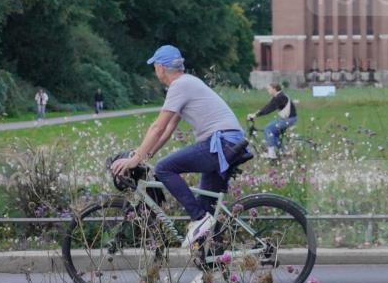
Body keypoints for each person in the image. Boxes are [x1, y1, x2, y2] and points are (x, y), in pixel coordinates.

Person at [110, 45, 246, 249]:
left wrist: (135, 159)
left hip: (222, 143)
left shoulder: (180, 85)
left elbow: (157, 127)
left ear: (160, 67)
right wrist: (145, 155)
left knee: (164, 168)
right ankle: (212, 257)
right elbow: (168, 128)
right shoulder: (187, 83)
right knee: (206, 208)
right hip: (227, 143)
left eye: (155, 67)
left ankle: (199, 218)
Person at [248, 82, 297, 159]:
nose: (267, 90)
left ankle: (271, 154)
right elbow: (268, 106)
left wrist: (255, 115)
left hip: (289, 119)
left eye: (269, 89)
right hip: (288, 118)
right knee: (274, 134)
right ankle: (283, 152)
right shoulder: (279, 96)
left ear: (274, 89)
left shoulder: (280, 97)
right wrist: (255, 113)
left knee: (268, 129)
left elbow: (269, 108)